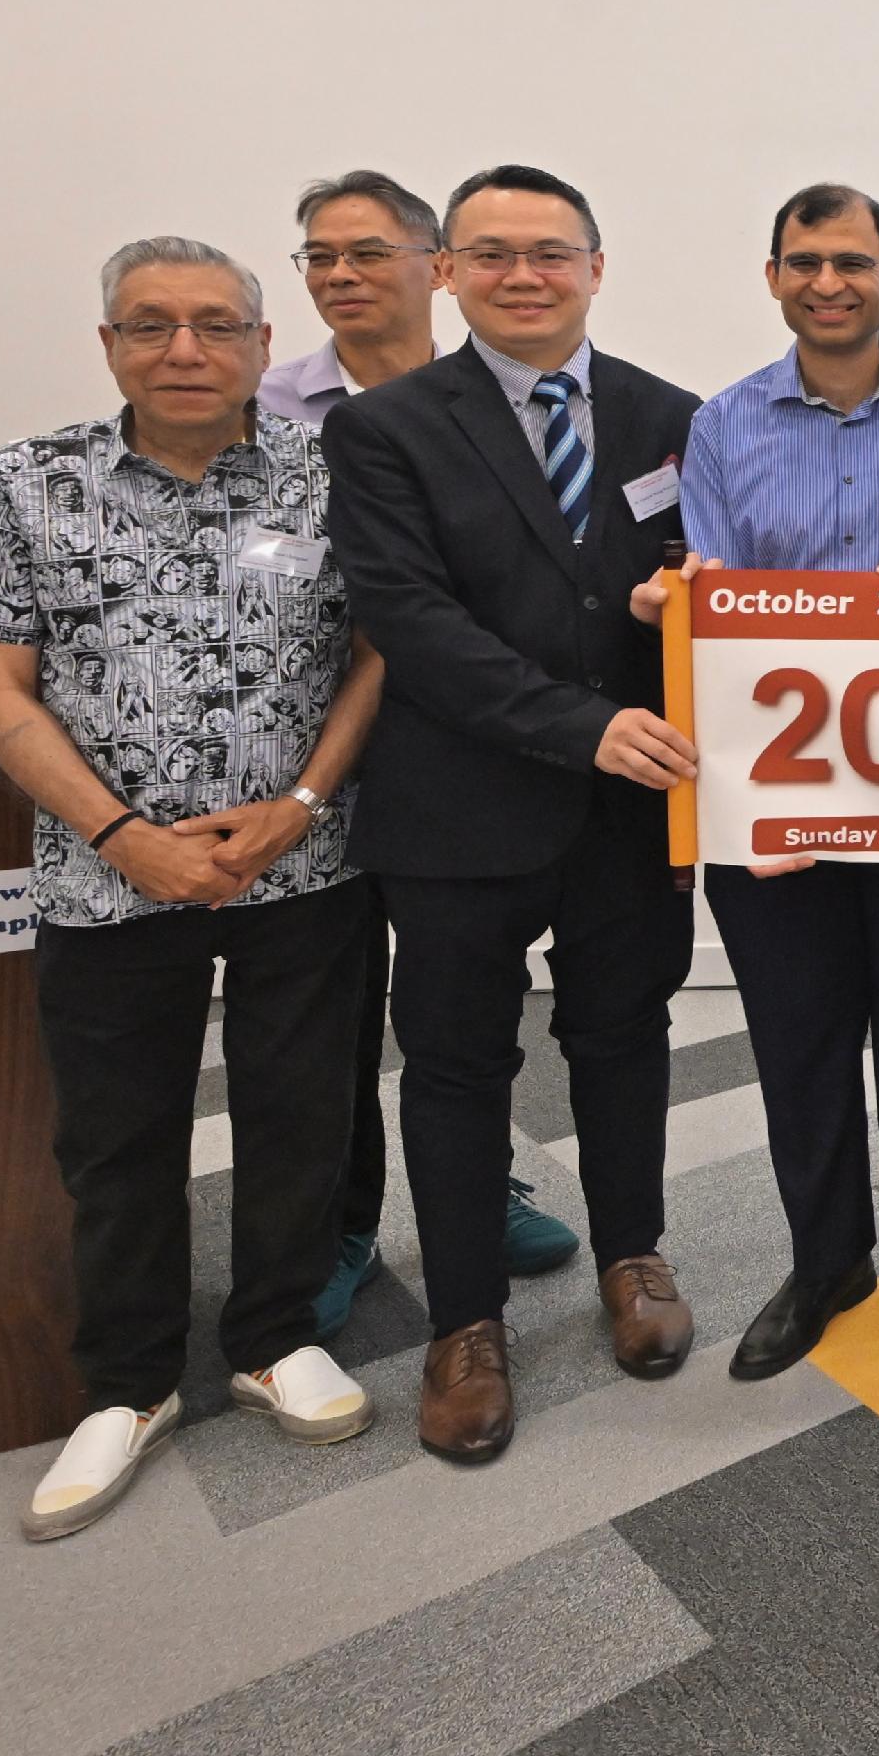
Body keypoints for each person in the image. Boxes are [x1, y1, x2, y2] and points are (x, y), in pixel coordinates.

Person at [0, 238, 389, 1538]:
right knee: (118, 1139)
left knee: (304, 1111)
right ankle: (126, 1382)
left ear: (257, 340)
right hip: (104, 875)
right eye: (150, 325)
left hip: (303, 861)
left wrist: (296, 805)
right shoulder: (22, 485)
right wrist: (125, 831)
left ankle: (274, 1332)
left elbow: (377, 654)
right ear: (109, 342)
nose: (183, 348)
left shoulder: (334, 475)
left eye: (213, 324)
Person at [325, 166, 702, 1464]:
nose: (524, 273)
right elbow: (413, 624)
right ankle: (467, 1323)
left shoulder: (673, 416)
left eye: (551, 251)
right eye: (493, 252)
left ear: (597, 265)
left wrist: (695, 605)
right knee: (453, 1066)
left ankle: (635, 1254)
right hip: (458, 810)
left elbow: (704, 586)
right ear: (449, 272)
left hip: (631, 812)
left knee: (626, 1038)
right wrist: (581, 724)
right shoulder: (387, 426)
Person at [647, 183, 879, 1382]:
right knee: (796, 1039)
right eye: (805, 261)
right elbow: (714, 586)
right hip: (771, 795)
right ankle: (827, 1256)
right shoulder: (727, 423)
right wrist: (680, 607)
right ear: (773, 276)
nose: (828, 282)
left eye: (853, 261)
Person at [260, 169, 578, 1338]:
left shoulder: (501, 399)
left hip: (457, 748)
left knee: (452, 1008)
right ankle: (340, 1225)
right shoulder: (267, 405)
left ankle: (479, 1194)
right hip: (311, 753)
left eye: (369, 253)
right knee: (336, 1012)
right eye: (319, 258)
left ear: (430, 266)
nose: (342, 277)